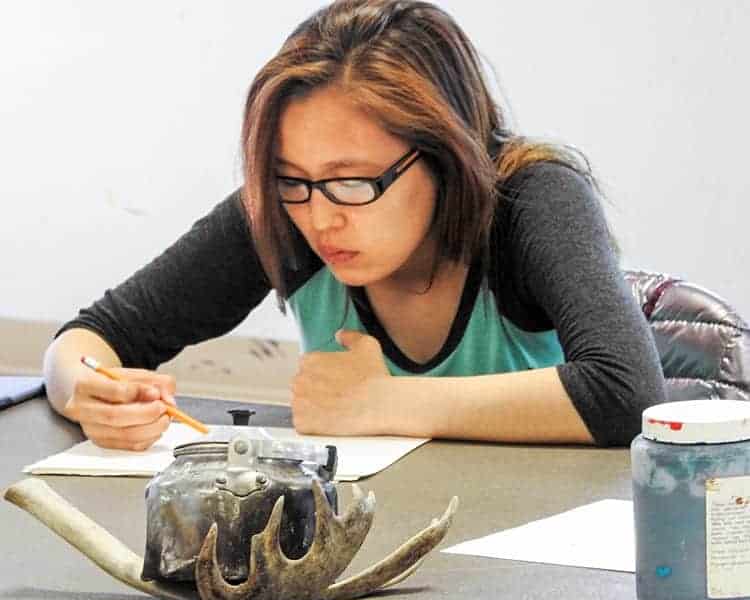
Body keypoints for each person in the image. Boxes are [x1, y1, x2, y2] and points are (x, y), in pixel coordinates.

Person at [43, 0, 666, 451]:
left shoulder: (532, 196)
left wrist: (382, 402)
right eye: (293, 180)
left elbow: (627, 394)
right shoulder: (282, 212)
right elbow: (92, 337)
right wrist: (88, 392)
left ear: (444, 155)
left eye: (353, 182)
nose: (319, 216)